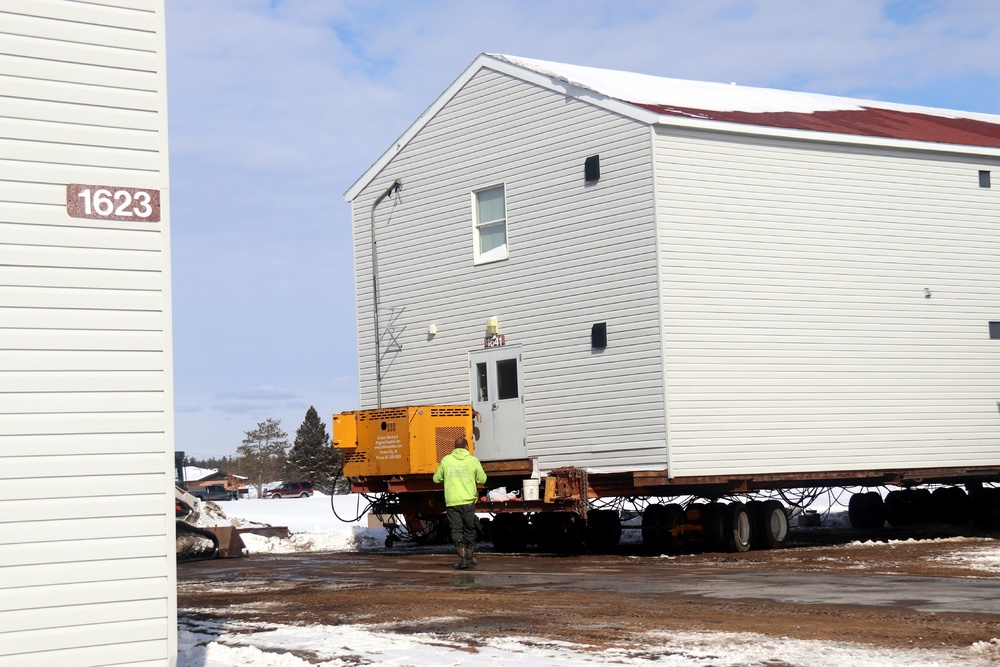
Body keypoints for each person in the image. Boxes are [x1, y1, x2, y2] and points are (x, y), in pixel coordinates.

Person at [432, 435, 486, 569]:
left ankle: (462, 559)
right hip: (468, 501)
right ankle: (470, 557)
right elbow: (482, 479)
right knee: (469, 529)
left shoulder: (446, 460)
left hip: (452, 502)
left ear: (454, 448)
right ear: (467, 447)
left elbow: (436, 479)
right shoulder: (473, 460)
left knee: (456, 530)